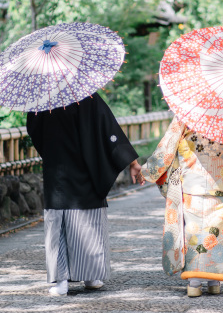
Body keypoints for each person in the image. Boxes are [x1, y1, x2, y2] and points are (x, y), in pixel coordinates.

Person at [27, 92, 143, 296]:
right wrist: (132, 163)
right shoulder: (86, 96)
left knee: (59, 224)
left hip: (58, 169)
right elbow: (110, 131)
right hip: (88, 169)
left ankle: (61, 280)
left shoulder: (41, 98)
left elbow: (34, 131)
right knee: (88, 221)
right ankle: (91, 276)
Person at [140, 117, 223, 297]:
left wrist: (149, 170)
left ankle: (194, 283)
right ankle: (214, 281)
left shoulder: (189, 110)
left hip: (193, 179)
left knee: (194, 231)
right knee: (220, 233)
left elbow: (170, 142)